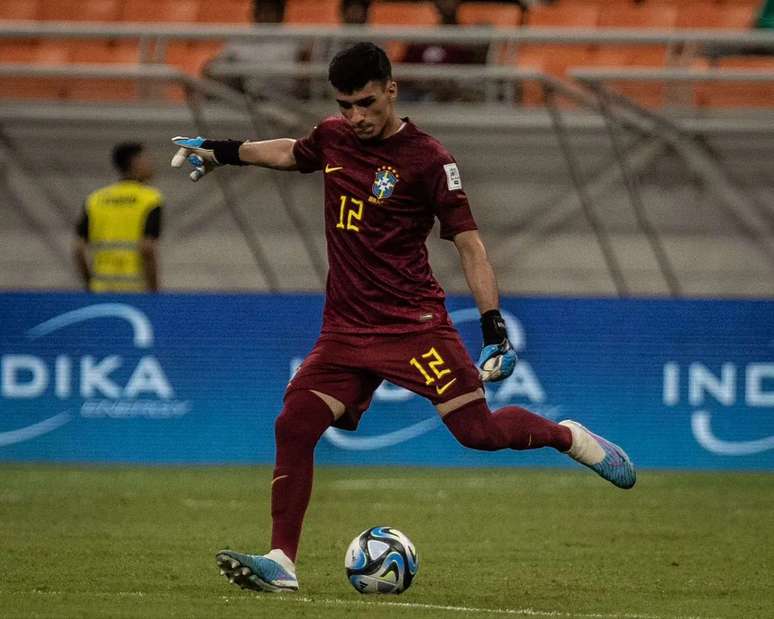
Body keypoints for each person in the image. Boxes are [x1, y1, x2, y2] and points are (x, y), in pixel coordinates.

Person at [171, 42, 635, 594]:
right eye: (345, 105)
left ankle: (568, 437)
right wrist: (222, 151)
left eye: (366, 103)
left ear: (391, 90)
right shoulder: (334, 137)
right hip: (344, 331)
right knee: (293, 424)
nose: (355, 117)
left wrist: (494, 328)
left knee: (479, 434)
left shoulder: (430, 160)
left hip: (415, 328)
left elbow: (470, 246)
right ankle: (282, 562)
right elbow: (289, 153)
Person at [74, 142, 162, 293]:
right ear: (135, 162)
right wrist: (154, 292)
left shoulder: (95, 199)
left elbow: (79, 249)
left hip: (100, 290)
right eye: (147, 159)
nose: (151, 164)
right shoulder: (150, 199)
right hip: (135, 291)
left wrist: (90, 283)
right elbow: (147, 247)